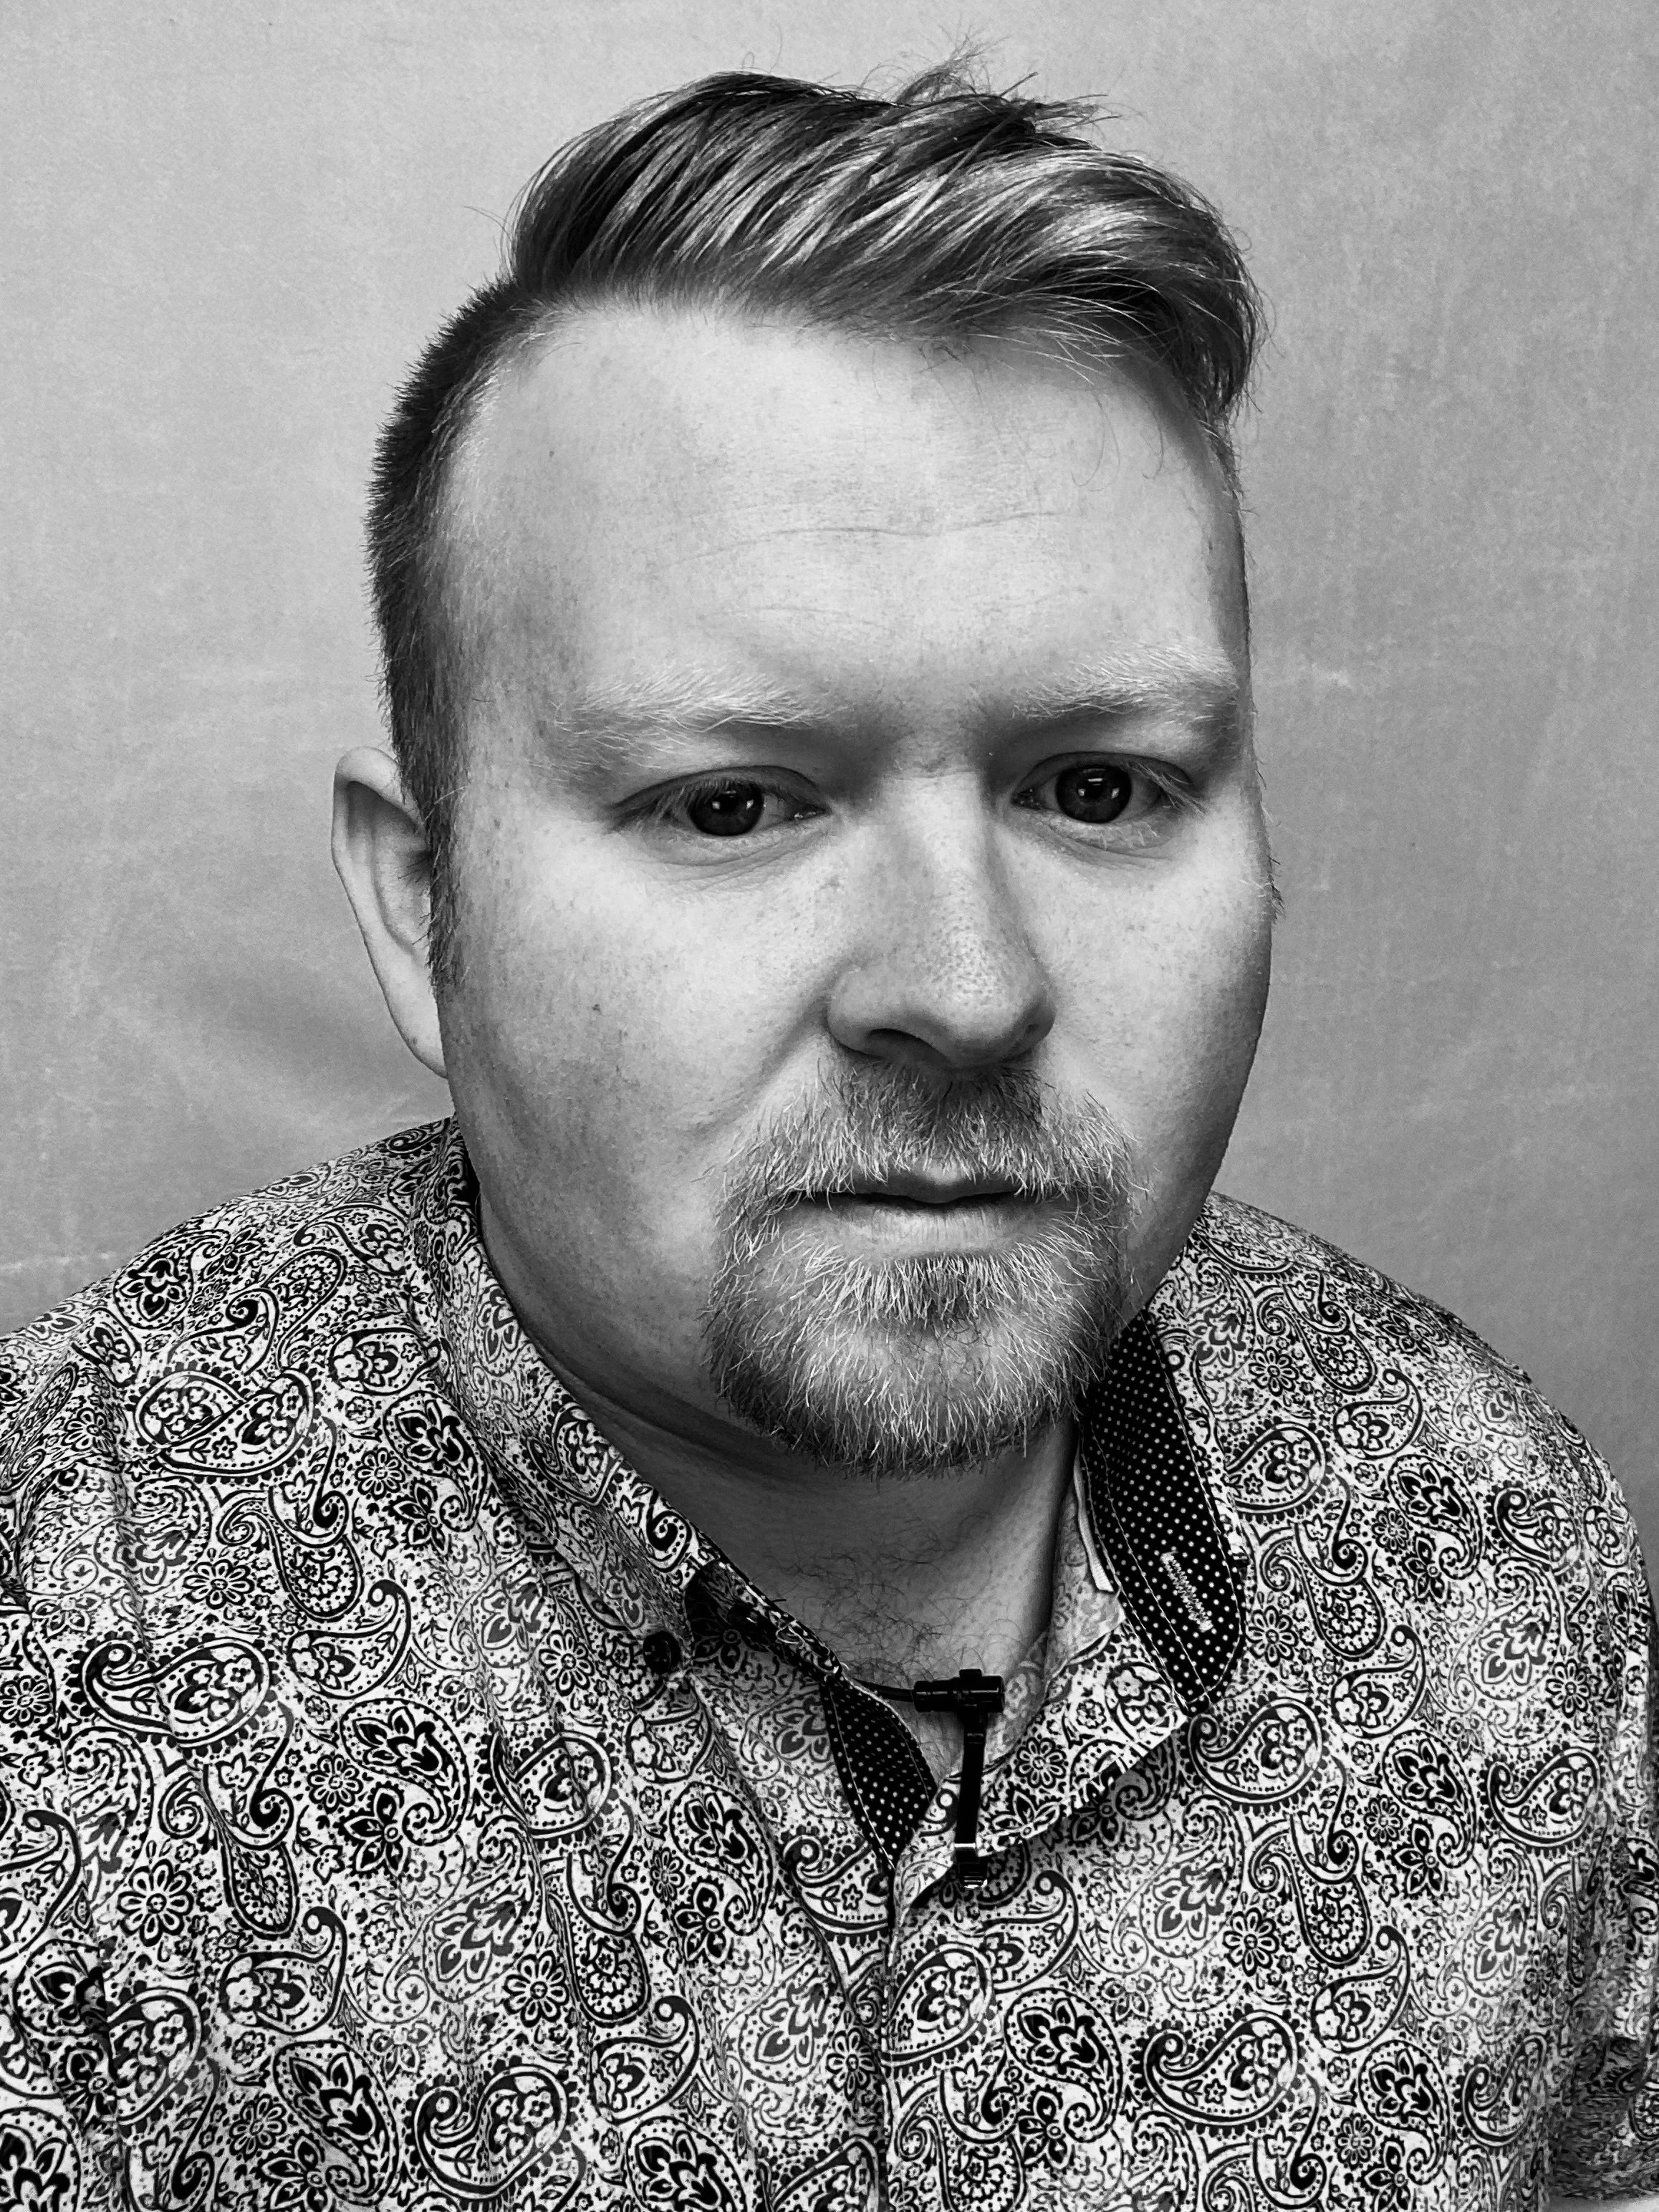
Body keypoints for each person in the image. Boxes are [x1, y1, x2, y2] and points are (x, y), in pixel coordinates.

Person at [0, 62, 1651, 2212]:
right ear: (427, 913)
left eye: (1096, 786)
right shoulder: (53, 1671)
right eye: (733, 804)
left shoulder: (1489, 1535)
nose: (960, 987)